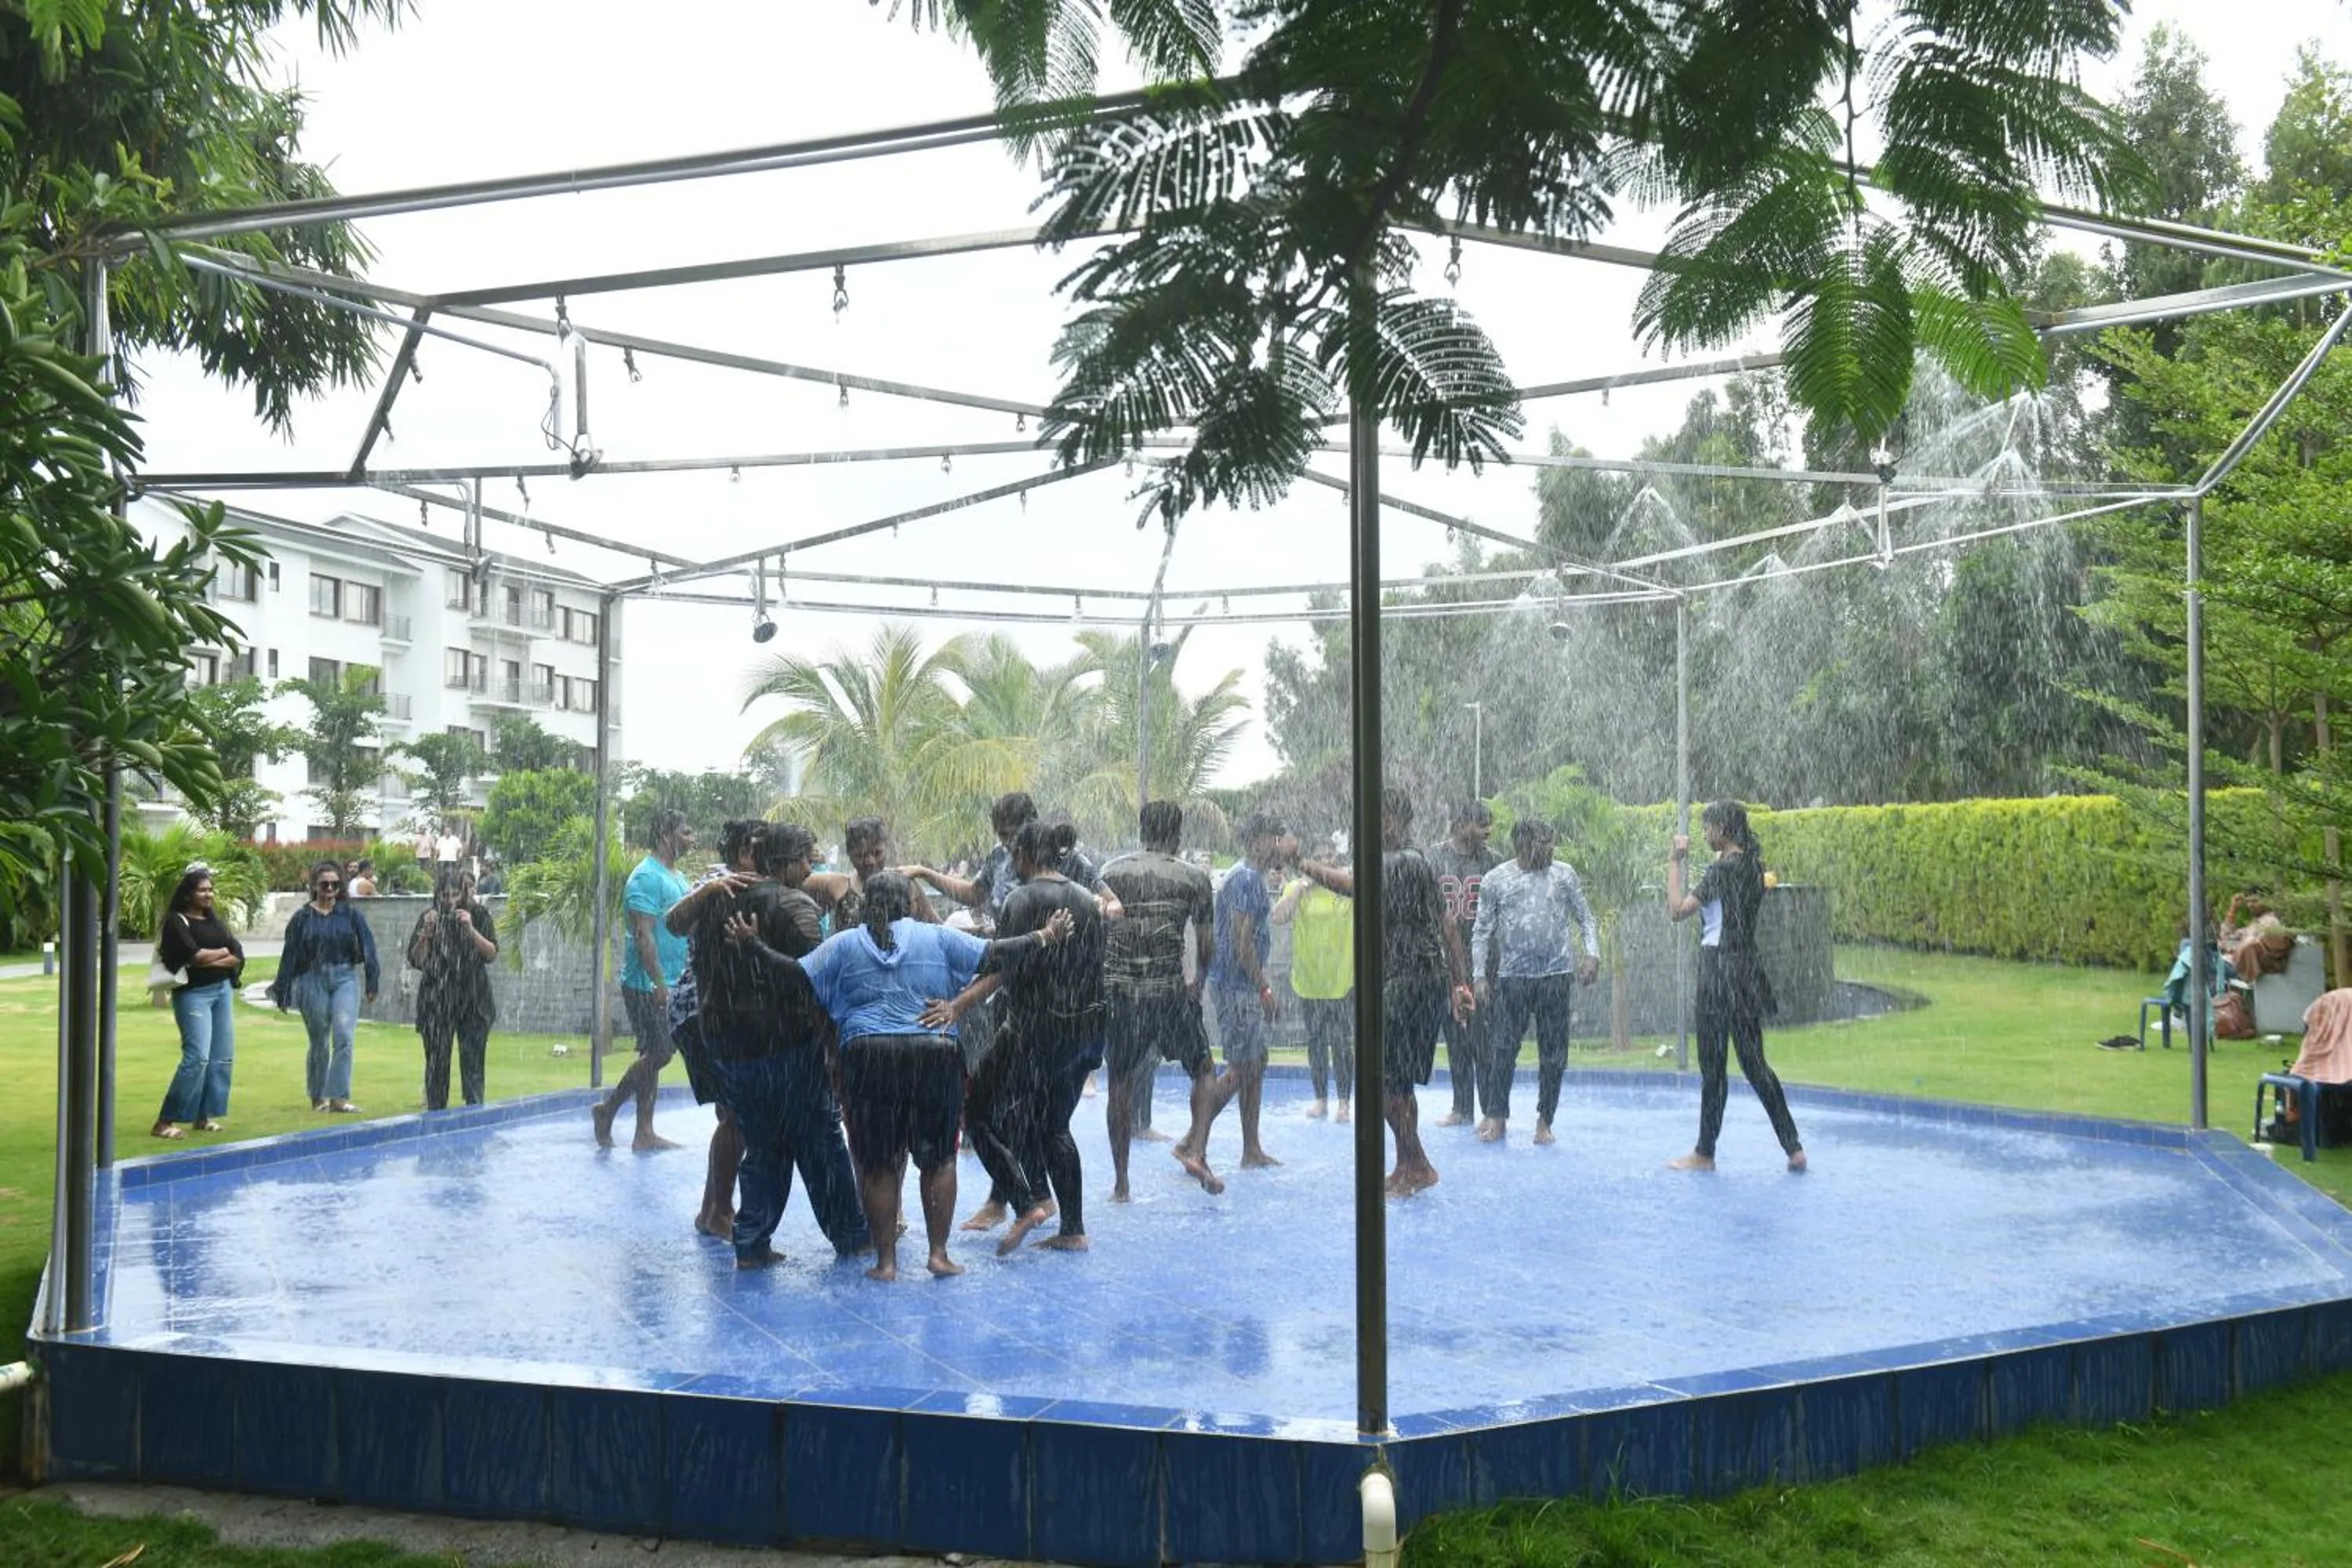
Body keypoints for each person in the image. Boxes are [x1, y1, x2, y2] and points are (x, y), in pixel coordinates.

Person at [725, 870, 1074, 1280]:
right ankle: (938, 1255)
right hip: (934, 1055)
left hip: (868, 1059)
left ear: (865, 905)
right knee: (940, 1160)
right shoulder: (937, 938)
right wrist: (1045, 936)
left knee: (879, 1164)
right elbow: (997, 954)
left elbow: (795, 976)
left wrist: (753, 946)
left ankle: (886, 1262)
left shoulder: (843, 945)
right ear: (909, 903)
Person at [688, 823, 868, 1268]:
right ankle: (850, 1234)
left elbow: (703, 967)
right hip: (787, 1046)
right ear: (785, 863)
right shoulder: (793, 905)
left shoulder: (718, 903)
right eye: (805, 860)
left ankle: (751, 1243)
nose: (810, 869)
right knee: (821, 1143)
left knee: (765, 1145)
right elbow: (816, 978)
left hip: (734, 1047)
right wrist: (833, 1044)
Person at [930, 820, 1106, 1254]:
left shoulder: (1020, 899)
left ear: (1025, 855)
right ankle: (1074, 1228)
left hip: (1032, 1031)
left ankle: (1026, 1203)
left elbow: (1002, 968)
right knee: (1054, 1126)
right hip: (1084, 1031)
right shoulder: (1089, 900)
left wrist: (958, 1005)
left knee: (978, 1112)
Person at [1294, 788, 1472, 1197]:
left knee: (1384, 1079)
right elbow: (1447, 925)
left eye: (1380, 817)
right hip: (1415, 980)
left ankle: (1418, 1164)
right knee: (1394, 1080)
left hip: (1409, 982)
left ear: (1398, 820)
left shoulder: (1400, 861)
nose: (1372, 826)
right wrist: (1458, 982)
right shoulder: (1416, 861)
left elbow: (1349, 884)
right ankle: (1409, 1164)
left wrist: (1299, 862)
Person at [1098, 800, 1231, 1200]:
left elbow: (1100, 934)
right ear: (1176, 835)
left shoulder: (1111, 872)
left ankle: (1121, 1183)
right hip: (1170, 992)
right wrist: (1200, 981)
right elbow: (1207, 944)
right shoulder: (1193, 878)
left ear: (1143, 831)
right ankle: (1197, 1150)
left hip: (1122, 992)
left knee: (1119, 1083)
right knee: (1205, 1071)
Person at [1664, 800, 1806, 1173]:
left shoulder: (1721, 870)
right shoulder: (1755, 868)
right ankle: (1793, 1147)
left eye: (1709, 827)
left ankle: (1704, 1153)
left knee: (1714, 1067)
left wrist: (1674, 861)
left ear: (1723, 829)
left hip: (1718, 972)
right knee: (1755, 1064)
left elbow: (1677, 910)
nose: (1705, 834)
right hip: (1746, 970)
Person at [662, 819, 767, 1238]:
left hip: (706, 1010)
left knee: (732, 1112)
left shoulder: (751, 881)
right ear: (741, 853)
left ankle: (711, 1211)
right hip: (701, 1010)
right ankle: (720, 1210)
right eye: (756, 849)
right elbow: (673, 923)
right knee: (737, 1114)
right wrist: (704, 893)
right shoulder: (721, 881)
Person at [1470, 818, 1600, 1145]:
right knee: (1502, 1049)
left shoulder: (1563, 874)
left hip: (1555, 976)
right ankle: (1497, 1116)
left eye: (1551, 841)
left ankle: (1545, 1121)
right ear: (1524, 844)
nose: (1551, 847)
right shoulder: (1496, 879)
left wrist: (1592, 954)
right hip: (1513, 977)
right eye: (1545, 842)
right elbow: (1481, 931)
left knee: (1554, 1053)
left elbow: (1585, 918)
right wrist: (1478, 976)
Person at [593, 809, 695, 1151]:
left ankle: (643, 1132)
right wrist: (659, 983)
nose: (691, 838)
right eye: (685, 832)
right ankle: (608, 1109)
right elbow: (643, 933)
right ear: (667, 835)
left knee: (655, 1052)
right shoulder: (645, 877)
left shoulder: (676, 876)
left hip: (671, 982)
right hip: (646, 984)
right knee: (662, 1052)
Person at [1204, 813, 1289, 1170]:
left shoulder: (1248, 876)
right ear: (1257, 841)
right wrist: (1264, 987)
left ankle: (1251, 1149)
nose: (1279, 846)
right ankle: (1193, 1140)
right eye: (1274, 838)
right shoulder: (1246, 880)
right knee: (1243, 1067)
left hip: (1237, 985)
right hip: (1237, 987)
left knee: (1255, 1064)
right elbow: (1242, 943)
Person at [270, 860, 380, 1113]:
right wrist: (283, 989)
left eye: (334, 884)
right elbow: (290, 954)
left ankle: (339, 1098)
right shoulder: (301, 918)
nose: (330, 888)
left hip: (344, 977)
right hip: (312, 978)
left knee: (343, 1035)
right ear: (315, 886)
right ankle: (318, 1096)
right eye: (324, 884)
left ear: (340, 886)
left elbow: (368, 947)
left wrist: (372, 980)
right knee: (319, 1039)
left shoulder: (350, 915)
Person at [153, 865, 244, 1139]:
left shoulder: (214, 921)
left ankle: (203, 1117)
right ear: (189, 893)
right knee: (197, 1058)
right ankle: (165, 1121)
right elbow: (193, 956)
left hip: (222, 991)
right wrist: (220, 953)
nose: (209, 894)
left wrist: (213, 955)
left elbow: (237, 954)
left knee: (221, 1058)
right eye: (202, 890)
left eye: (210, 889)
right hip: (194, 996)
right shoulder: (176, 921)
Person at [1427, 801, 1501, 1129]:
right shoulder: (1433, 860)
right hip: (1444, 963)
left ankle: (1490, 1109)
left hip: (1484, 964)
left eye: (1489, 824)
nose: (1487, 831)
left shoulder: (1494, 863)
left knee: (1484, 1039)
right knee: (1455, 1037)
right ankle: (1461, 1107)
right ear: (1458, 826)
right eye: (1480, 824)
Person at [1272, 837, 1354, 1123]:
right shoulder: (1298, 887)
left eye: (1329, 857)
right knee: (1316, 1043)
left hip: (1342, 980)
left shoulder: (1344, 887)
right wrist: (1300, 890)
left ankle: (1344, 1102)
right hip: (1309, 981)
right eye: (1319, 857)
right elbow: (1278, 917)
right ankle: (1321, 1099)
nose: (1325, 862)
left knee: (1343, 1044)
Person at [407, 866, 499, 1109]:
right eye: (444, 895)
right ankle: (436, 1118)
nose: (449, 900)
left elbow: (491, 953)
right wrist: (426, 935)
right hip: (436, 1000)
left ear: (465, 893)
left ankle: (474, 1117)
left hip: (474, 1000)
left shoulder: (479, 915)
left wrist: (471, 930)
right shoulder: (429, 917)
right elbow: (416, 960)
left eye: (455, 894)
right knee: (436, 1067)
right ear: (437, 895)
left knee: (473, 1067)